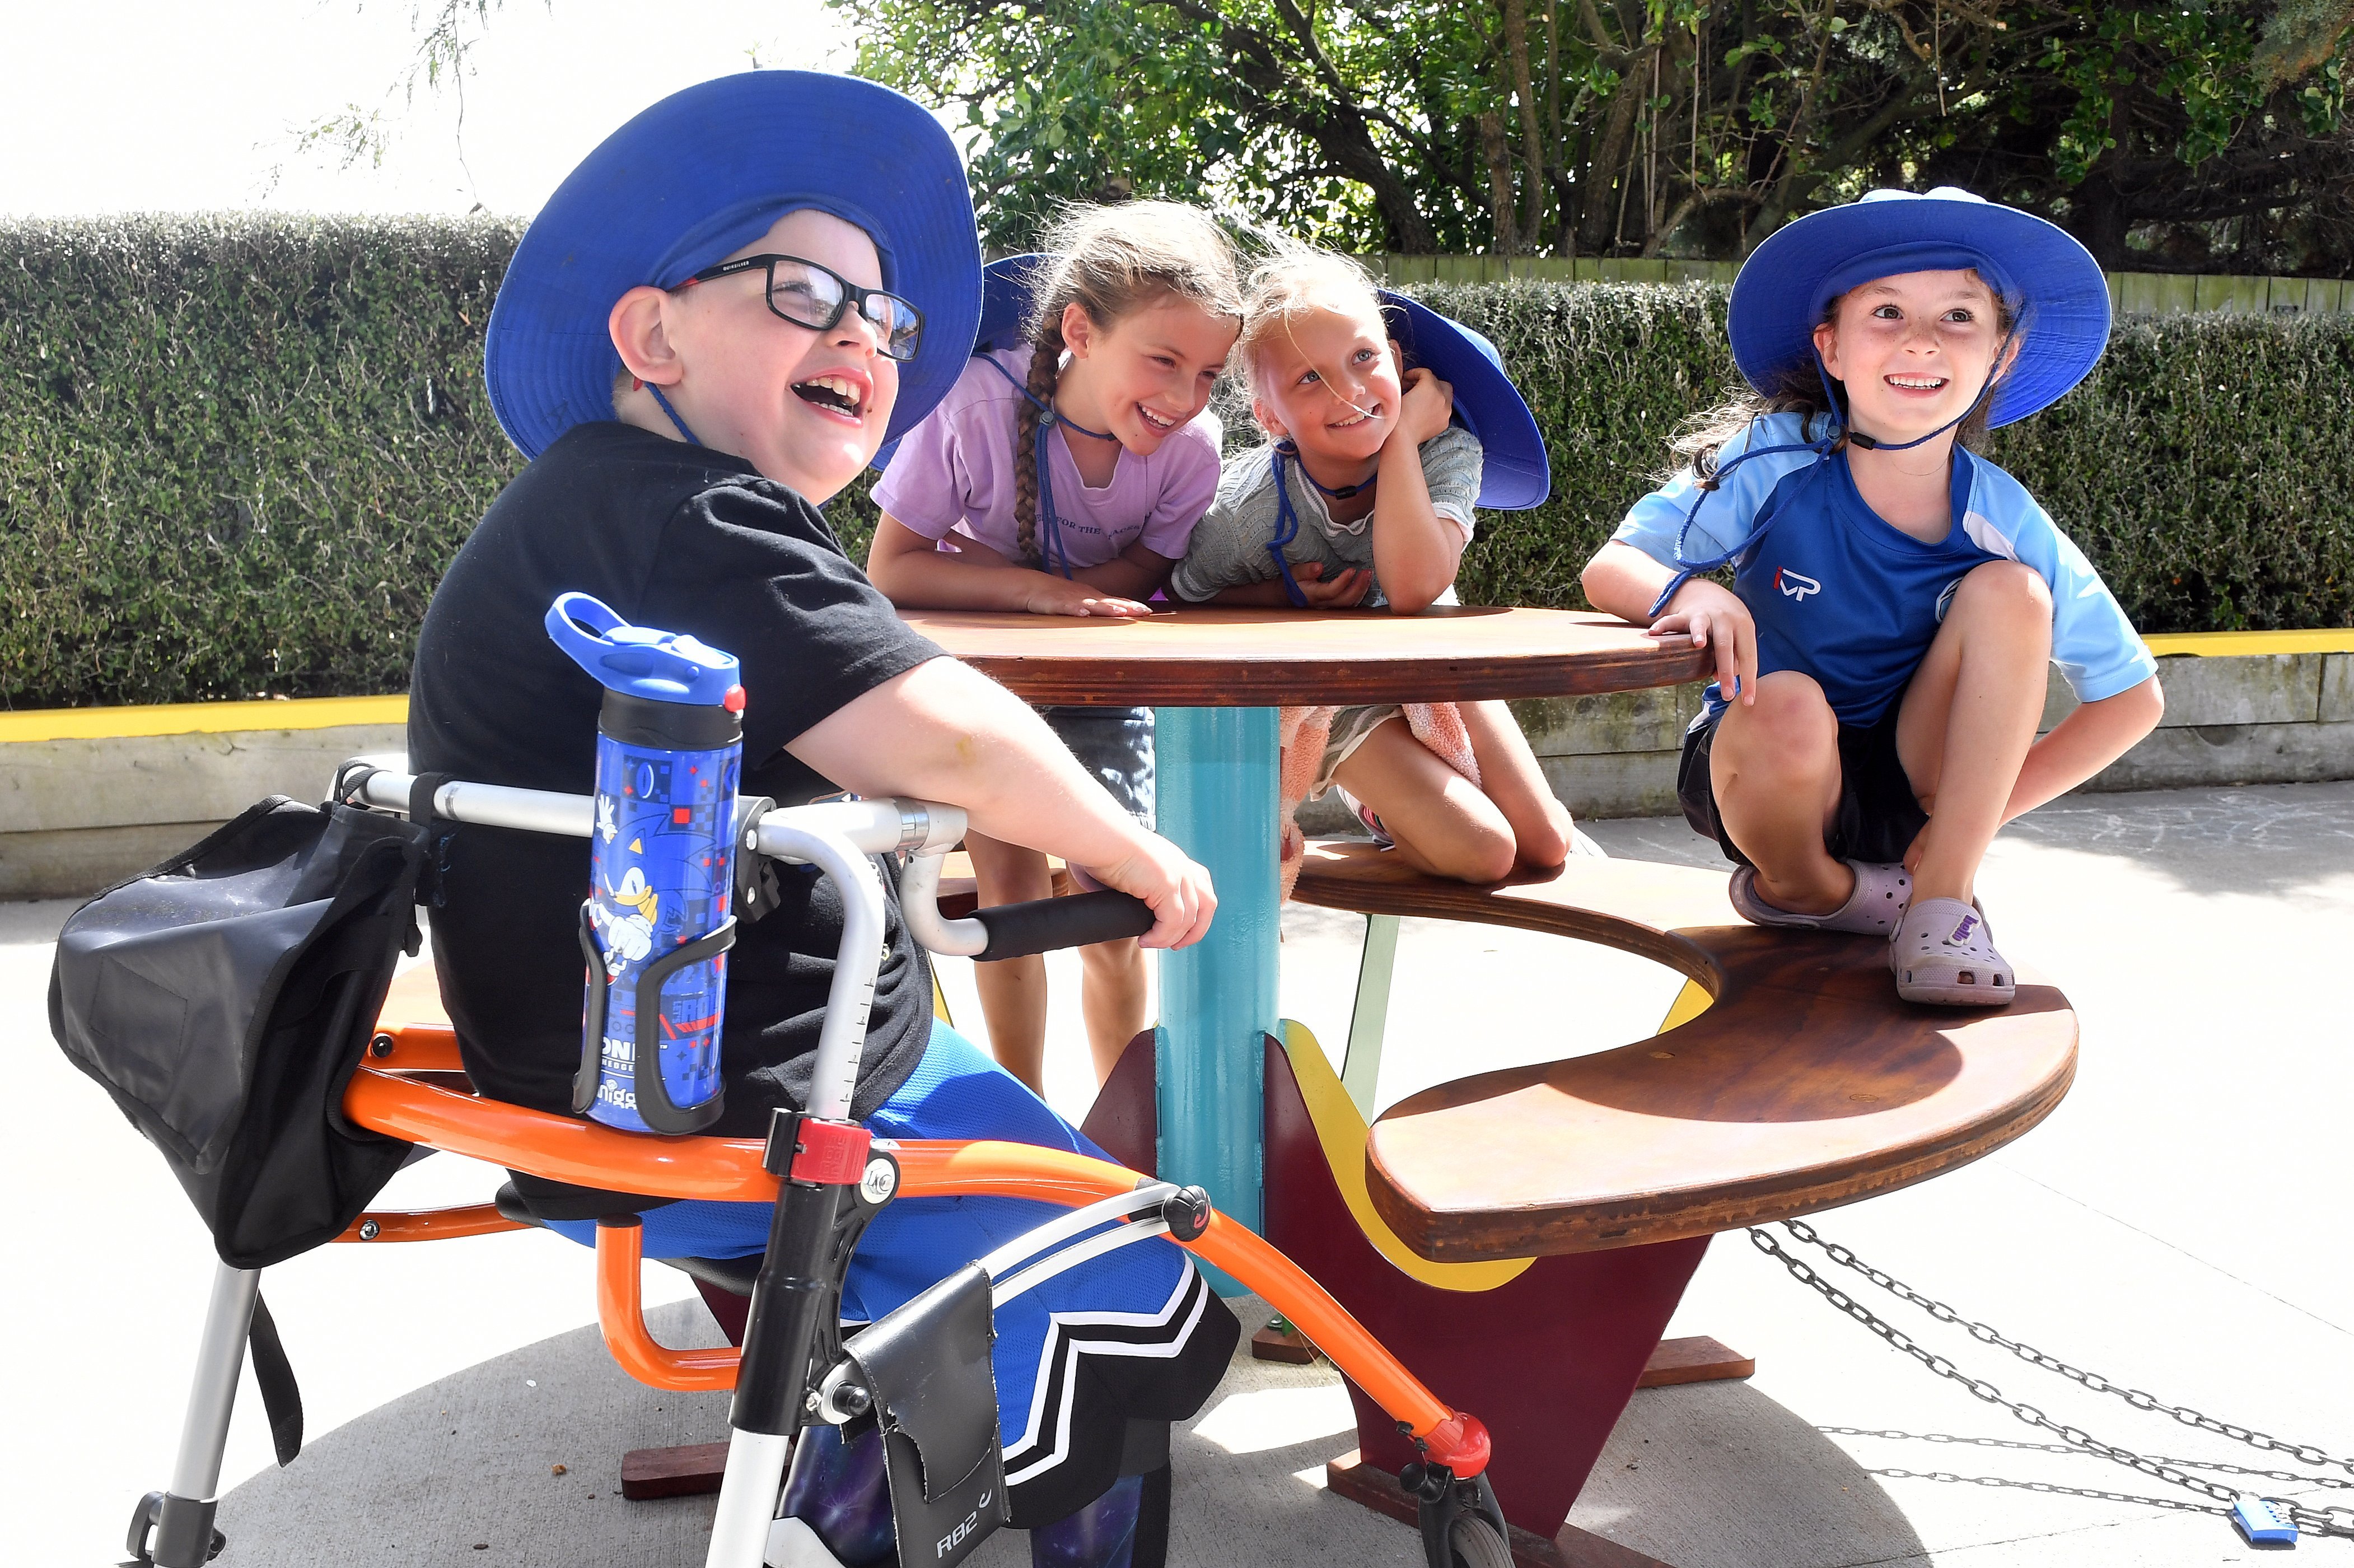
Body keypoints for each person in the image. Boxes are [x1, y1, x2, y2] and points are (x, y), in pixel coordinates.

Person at [407, 72, 1236, 1567]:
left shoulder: (590, 508)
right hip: (754, 1089)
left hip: (601, 1067)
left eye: (885, 318)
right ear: (652, 334)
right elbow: (946, 728)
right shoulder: (691, 512)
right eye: (804, 292)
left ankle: (876, 1432)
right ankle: (845, 1524)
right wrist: (1130, 849)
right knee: (1146, 1284)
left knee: (1035, 1140)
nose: (864, 334)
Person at [1580, 186, 2165, 1006]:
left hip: (1914, 790)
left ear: (2002, 354)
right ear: (1834, 347)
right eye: (1887, 312)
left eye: (1959, 317)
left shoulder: (1999, 513)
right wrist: (1693, 594)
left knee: (2015, 595)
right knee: (1788, 704)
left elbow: (2131, 700)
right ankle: (1810, 891)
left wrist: (1964, 828)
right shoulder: (1772, 461)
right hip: (1767, 771)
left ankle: (1940, 903)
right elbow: (1612, 567)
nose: (1922, 341)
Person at [865, 207, 1242, 1090]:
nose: (1186, 398)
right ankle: (1022, 1111)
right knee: (1011, 899)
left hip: (1105, 689)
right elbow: (892, 568)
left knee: (1115, 912)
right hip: (981, 692)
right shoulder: (970, 406)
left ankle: (1119, 1133)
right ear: (1080, 330)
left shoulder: (1194, 452)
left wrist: (1051, 588)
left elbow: (1148, 568)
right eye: (1163, 362)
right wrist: (1038, 591)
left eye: (1209, 375)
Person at [1169, 248, 1573, 883]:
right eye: (1308, 378)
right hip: (1325, 696)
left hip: (1430, 660)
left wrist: (1405, 442)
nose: (1349, 392)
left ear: (1396, 360)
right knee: (1487, 850)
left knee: (1547, 843)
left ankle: (1408, 803)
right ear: (1269, 417)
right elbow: (1183, 599)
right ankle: (1385, 812)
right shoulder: (1247, 510)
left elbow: (1416, 587)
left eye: (1363, 359)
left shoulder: (1446, 453)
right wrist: (1280, 595)